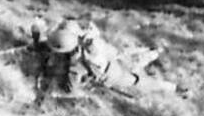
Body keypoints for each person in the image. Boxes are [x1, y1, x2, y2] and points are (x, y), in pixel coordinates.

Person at [31, 19, 173, 97]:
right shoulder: (78, 35)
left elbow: (69, 89)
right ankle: (155, 52)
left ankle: (169, 88)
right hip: (110, 54)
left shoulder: (76, 66)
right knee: (130, 58)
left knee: (135, 81)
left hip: (110, 73)